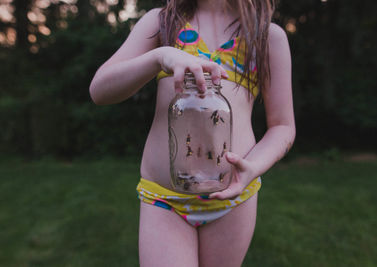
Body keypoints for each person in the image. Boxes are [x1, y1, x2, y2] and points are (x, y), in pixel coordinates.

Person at [89, 0, 295, 266]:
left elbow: (282, 126)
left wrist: (253, 167)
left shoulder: (265, 36)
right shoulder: (162, 24)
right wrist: (159, 57)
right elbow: (100, 90)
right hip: (164, 200)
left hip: (233, 200)